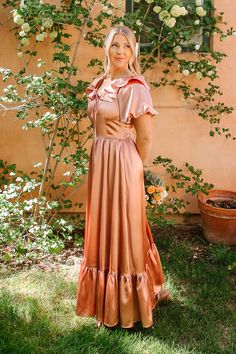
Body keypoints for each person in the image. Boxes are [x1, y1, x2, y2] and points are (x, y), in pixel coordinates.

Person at [76, 25, 170, 329]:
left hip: (122, 162)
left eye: (126, 46)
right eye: (115, 45)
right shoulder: (101, 82)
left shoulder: (134, 86)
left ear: (134, 52)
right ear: (106, 48)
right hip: (101, 161)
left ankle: (130, 303)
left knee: (126, 229)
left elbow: (144, 139)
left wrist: (132, 170)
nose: (120, 51)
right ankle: (104, 299)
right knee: (103, 225)